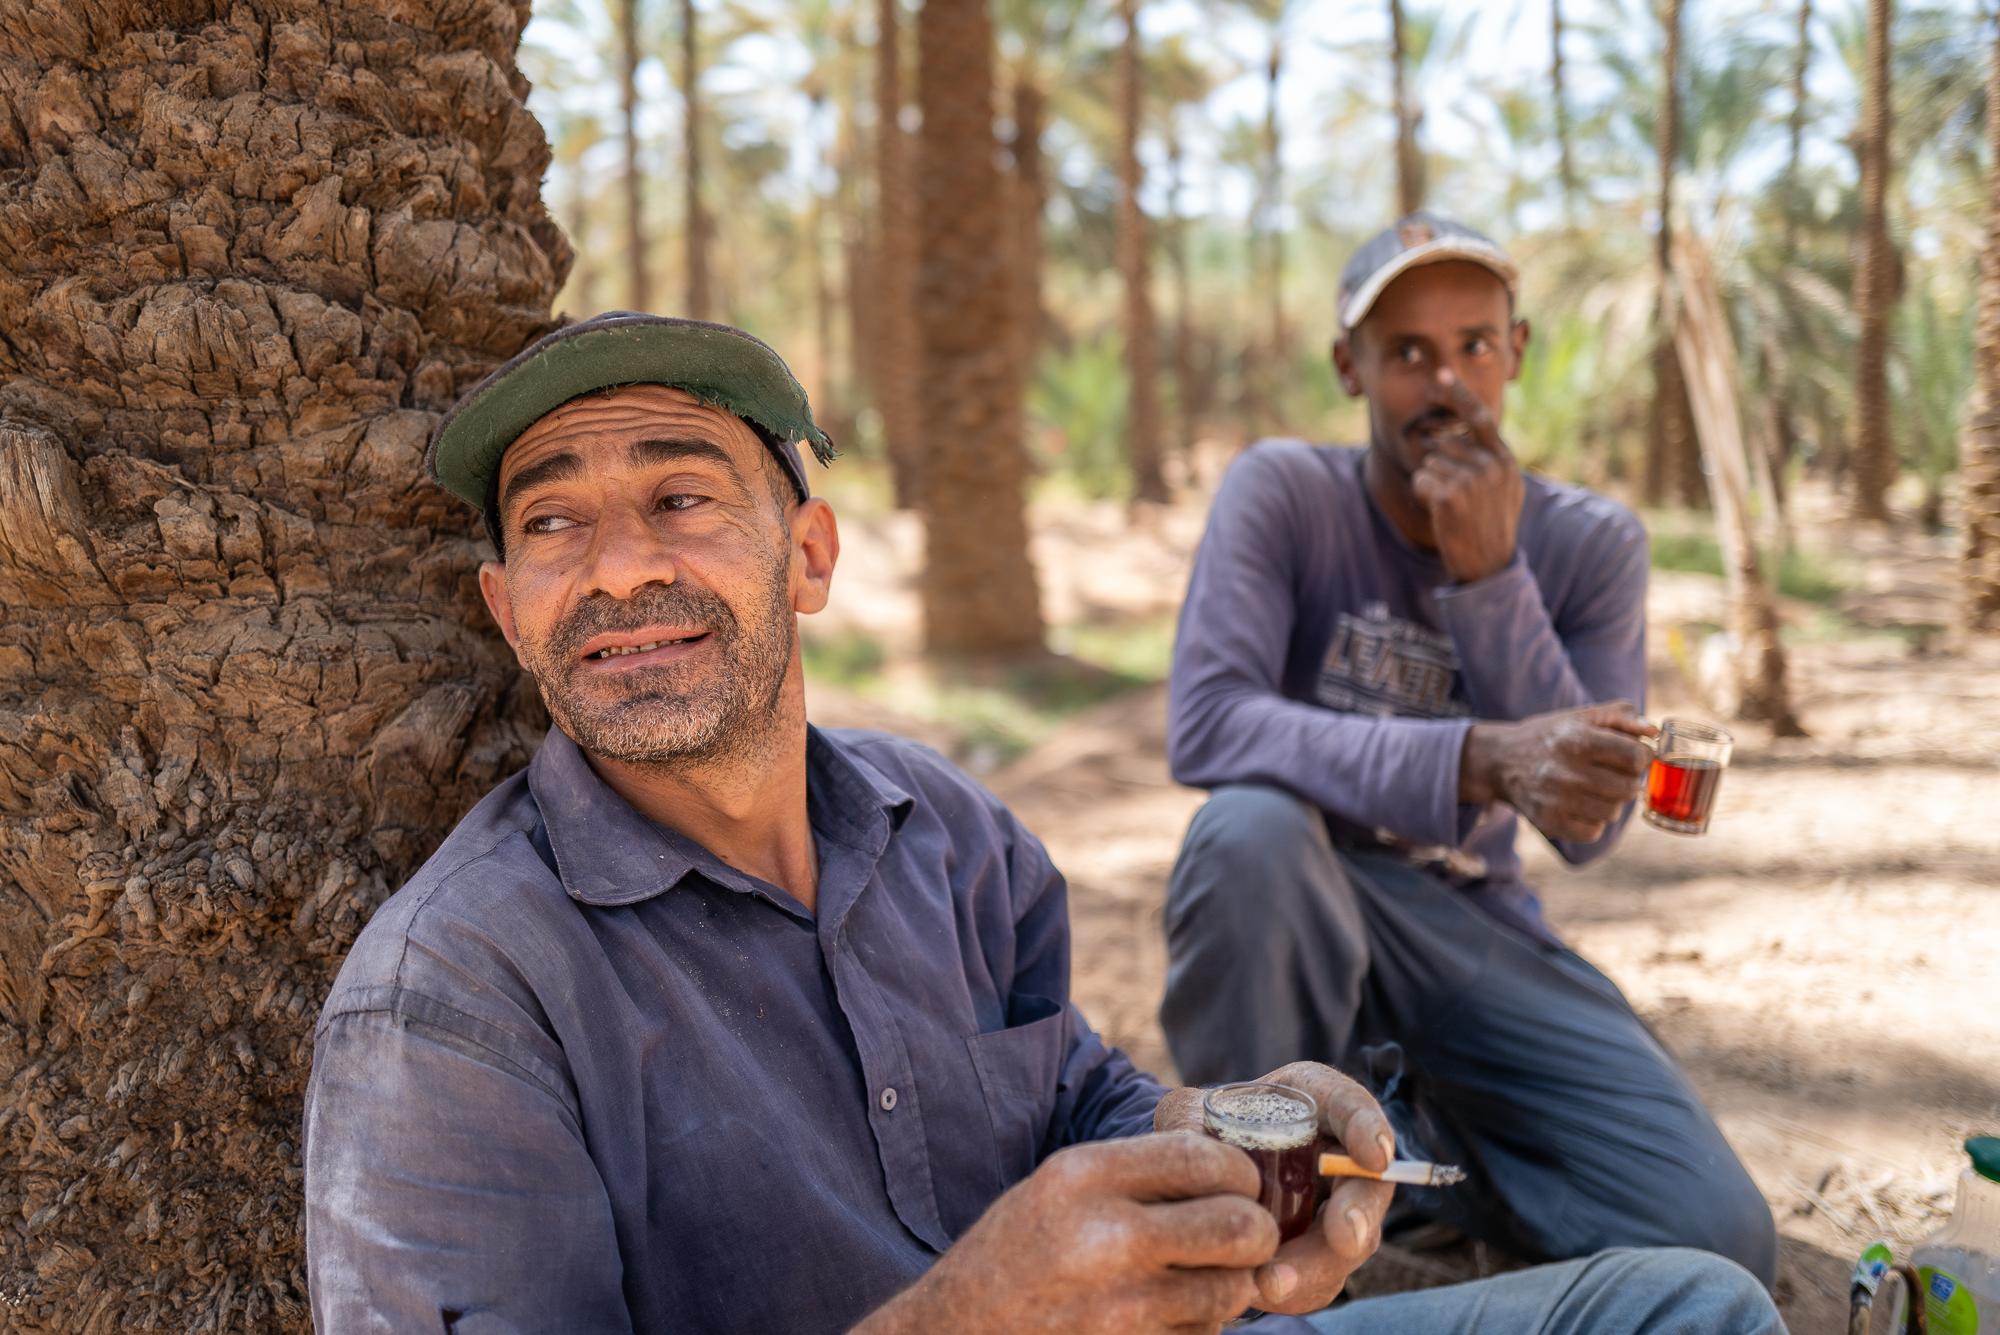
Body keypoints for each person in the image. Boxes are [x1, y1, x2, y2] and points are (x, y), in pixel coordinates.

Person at [302, 311, 1783, 1333]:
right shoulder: (451, 1001)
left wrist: (1250, 1124)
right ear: (508, 608)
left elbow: (1074, 1100)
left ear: (805, 556)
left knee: (1692, 1301)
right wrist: (973, 1310)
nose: (619, 567)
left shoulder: (942, 830)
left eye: (682, 496)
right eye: (553, 522)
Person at [1160, 213, 1777, 1286]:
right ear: (1347, 367)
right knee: (1245, 831)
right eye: (1407, 353)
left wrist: (1490, 578)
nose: (1446, 381)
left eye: (1474, 345)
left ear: (1518, 351)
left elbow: (1586, 830)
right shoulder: (1283, 492)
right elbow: (1209, 719)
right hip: (1298, 900)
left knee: (1714, 1236)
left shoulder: (1587, 543)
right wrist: (1474, 760)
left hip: (1469, 926)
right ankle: (1246, 1231)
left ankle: (1408, 1162)